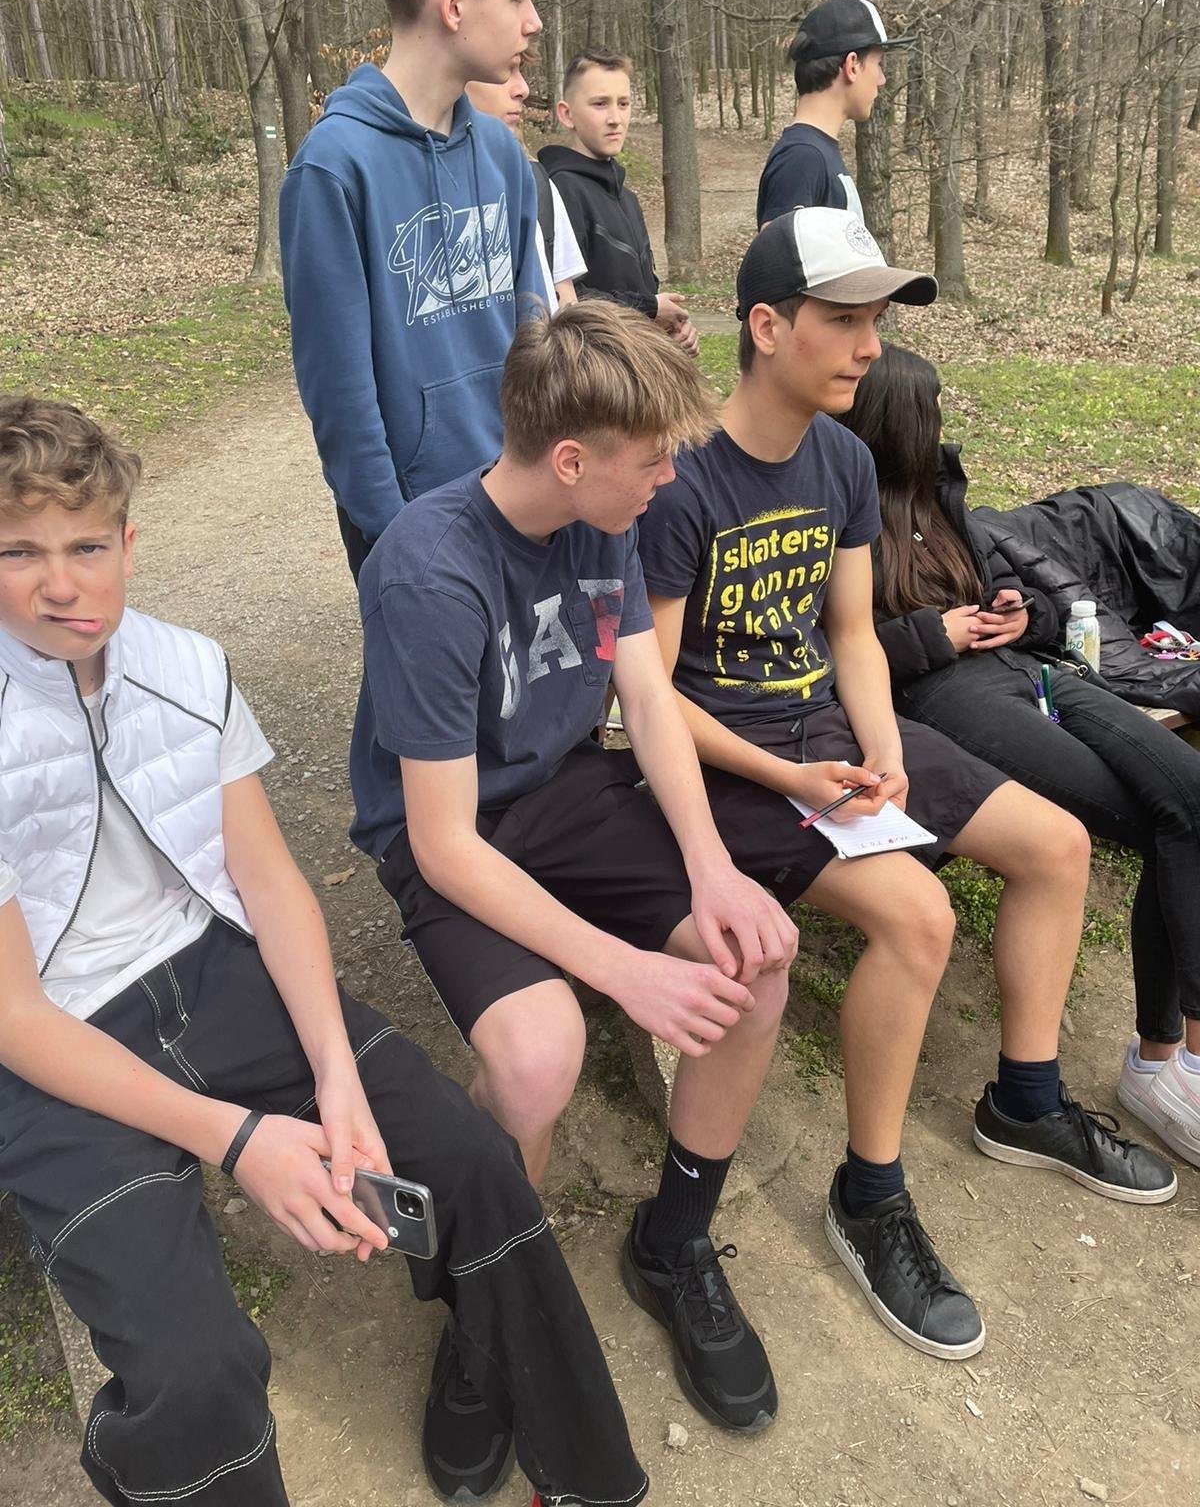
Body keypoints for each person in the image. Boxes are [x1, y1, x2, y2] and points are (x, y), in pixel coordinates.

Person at [0, 396, 649, 1507]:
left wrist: (338, 1077)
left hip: (212, 966)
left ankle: (581, 1475)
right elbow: (15, 1014)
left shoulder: (188, 668)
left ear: (129, 544)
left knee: (477, 1165)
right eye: (19, 552)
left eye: (87, 546)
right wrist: (241, 1140)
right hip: (58, 1035)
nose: (61, 583)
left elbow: (269, 884)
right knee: (198, 1371)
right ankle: (143, 1461)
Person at [636, 208, 1176, 1362]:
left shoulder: (842, 460)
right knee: (919, 915)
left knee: (1058, 847)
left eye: (876, 319)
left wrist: (882, 749)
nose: (871, 346)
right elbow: (651, 698)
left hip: (833, 731)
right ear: (766, 327)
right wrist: (793, 772)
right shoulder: (683, 483)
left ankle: (1025, 1099)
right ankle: (869, 1195)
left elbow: (851, 633)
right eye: (844, 319)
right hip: (731, 761)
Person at [351, 301, 799, 1433]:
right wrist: (624, 970)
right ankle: (486, 1298)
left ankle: (674, 1242)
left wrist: (712, 868)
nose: (668, 479)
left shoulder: (607, 517)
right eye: (652, 461)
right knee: (540, 1057)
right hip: (456, 830)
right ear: (570, 459)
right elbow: (444, 843)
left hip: (565, 793)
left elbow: (646, 697)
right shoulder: (429, 573)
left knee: (756, 958)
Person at [846, 342, 1200, 1171]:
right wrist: (929, 635)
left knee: (1190, 791)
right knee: (1161, 818)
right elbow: (835, 656)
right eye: (929, 410)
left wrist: (1021, 614)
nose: (940, 425)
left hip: (1025, 670)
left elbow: (1032, 594)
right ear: (897, 422)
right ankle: (1160, 1063)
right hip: (942, 696)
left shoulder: (941, 496)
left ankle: (1175, 1058)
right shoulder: (839, 512)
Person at [280, 0, 549, 582]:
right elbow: (340, 395)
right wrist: (398, 537)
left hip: (523, 502)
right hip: (411, 531)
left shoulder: (503, 155)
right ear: (453, 4)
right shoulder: (334, 168)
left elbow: (534, 335)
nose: (533, 21)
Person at [538, 49, 699, 356]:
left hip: (641, 367)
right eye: (600, 104)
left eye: (623, 104)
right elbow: (568, 299)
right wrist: (649, 308)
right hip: (594, 373)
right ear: (566, 114)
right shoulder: (561, 189)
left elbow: (645, 291)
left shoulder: (628, 199)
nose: (615, 119)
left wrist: (672, 331)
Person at [756, 0, 912, 228]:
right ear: (852, 66)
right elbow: (775, 251)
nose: (882, 80)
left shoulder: (814, 154)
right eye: (878, 64)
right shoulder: (801, 160)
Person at [466, 58, 587, 308]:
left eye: (519, 71)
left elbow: (566, 303)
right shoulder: (415, 188)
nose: (523, 89)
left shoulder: (537, 183)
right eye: (504, 72)